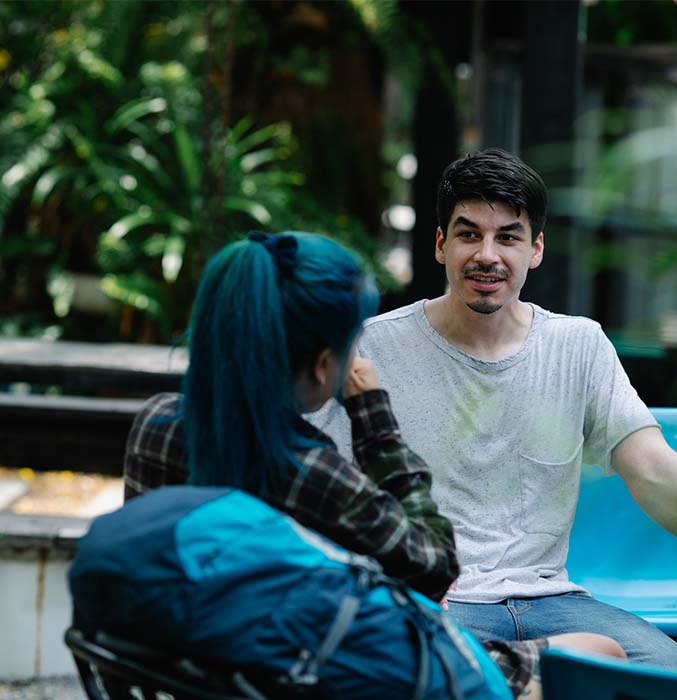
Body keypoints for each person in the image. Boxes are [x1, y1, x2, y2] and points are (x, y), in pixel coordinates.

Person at [124, 230, 625, 699]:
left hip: (207, 670)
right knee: (600, 651)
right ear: (325, 365)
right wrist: (372, 416)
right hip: (330, 673)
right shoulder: (308, 472)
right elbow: (434, 568)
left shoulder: (155, 425)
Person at [312, 149, 677, 671]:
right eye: (468, 233)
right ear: (440, 245)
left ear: (536, 249)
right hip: (435, 602)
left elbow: (655, 469)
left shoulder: (578, 345)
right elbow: (317, 484)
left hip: (555, 603)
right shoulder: (371, 348)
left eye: (508, 237)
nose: (487, 255)